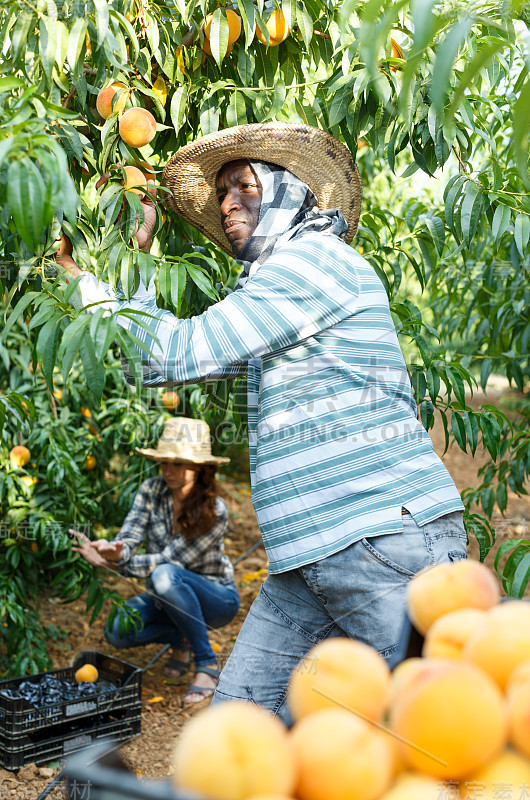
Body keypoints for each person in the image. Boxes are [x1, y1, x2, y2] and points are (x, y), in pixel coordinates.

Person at [57, 121, 467, 724]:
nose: (227, 205)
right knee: (240, 735)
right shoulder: (278, 287)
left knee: (443, 736)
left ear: (288, 190)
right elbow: (169, 362)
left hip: (380, 540)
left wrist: (86, 291)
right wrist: (137, 264)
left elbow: (180, 350)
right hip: (314, 557)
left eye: (244, 186)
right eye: (221, 193)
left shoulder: (312, 264)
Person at [70, 417, 240, 705]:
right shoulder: (151, 490)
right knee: (117, 628)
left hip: (217, 598)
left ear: (199, 467)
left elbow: (170, 561)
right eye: (164, 462)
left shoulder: (215, 510)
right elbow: (129, 538)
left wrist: (111, 564)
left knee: (164, 575)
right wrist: (113, 551)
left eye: (177, 463)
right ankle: (181, 639)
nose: (167, 470)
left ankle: (207, 664)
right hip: (167, 596)